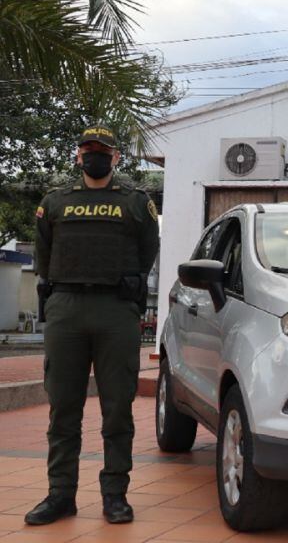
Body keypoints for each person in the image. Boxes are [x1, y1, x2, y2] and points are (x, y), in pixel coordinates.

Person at [26, 125, 160, 525]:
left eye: (103, 151)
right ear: (78, 155)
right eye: (89, 150)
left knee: (117, 408)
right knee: (62, 409)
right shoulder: (54, 202)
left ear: (117, 157)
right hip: (66, 306)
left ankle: (115, 495)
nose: (95, 156)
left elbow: (147, 251)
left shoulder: (136, 203)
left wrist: (130, 287)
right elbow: (43, 255)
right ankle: (60, 495)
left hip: (115, 309)